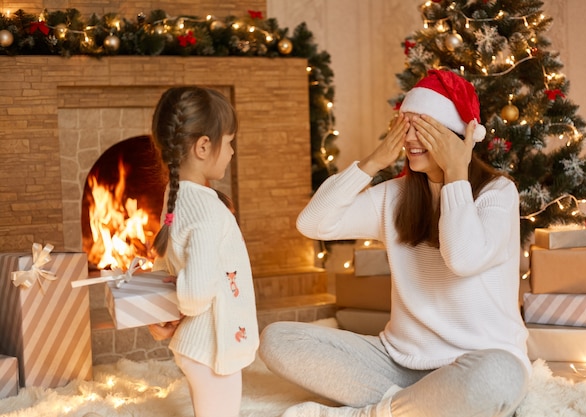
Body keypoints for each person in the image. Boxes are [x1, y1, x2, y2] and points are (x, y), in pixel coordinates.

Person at [259, 69, 530, 417]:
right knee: (278, 339)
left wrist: (456, 174)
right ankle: (421, 406)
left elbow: (463, 258)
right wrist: (372, 163)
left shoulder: (498, 193)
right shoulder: (396, 196)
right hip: (399, 363)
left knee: (497, 379)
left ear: (458, 135)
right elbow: (312, 223)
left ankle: (371, 413)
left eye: (425, 127)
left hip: (478, 361)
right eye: (406, 125)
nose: (411, 138)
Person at [148, 86, 259, 417]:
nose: (233, 151)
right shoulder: (207, 212)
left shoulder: (178, 195)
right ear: (203, 146)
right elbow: (195, 294)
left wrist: (163, 312)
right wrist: (181, 305)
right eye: (229, 142)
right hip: (213, 346)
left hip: (199, 344)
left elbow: (164, 258)